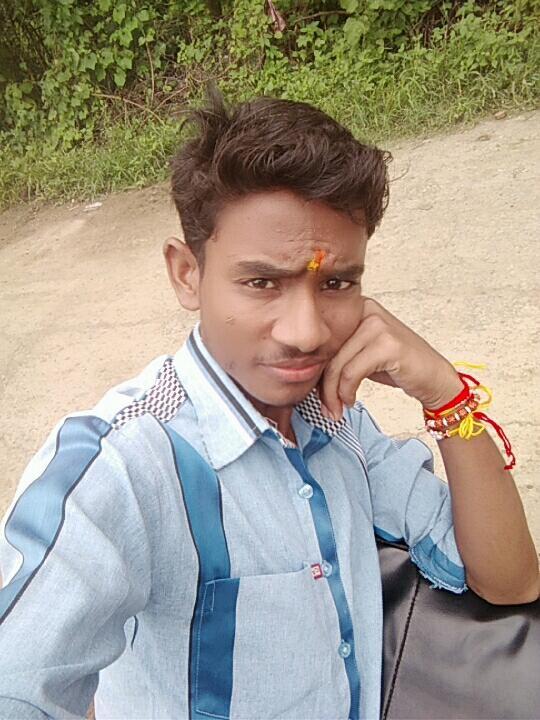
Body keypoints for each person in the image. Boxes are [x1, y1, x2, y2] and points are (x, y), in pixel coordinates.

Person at [0, 85, 538, 720]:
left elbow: (510, 580)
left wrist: (446, 396)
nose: (306, 333)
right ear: (186, 273)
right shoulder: (123, 466)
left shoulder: (341, 425)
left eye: (336, 282)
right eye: (261, 282)